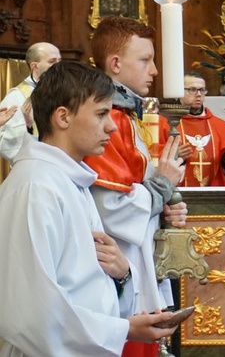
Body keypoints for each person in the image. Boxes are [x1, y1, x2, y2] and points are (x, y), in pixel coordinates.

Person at [0, 61, 178, 356]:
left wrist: (123, 276)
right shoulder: (36, 188)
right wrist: (124, 330)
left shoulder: (71, 182)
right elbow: (31, 313)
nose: (110, 125)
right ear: (62, 117)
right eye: (101, 114)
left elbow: (84, 287)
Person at [84, 15, 187, 357]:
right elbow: (111, 210)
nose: (154, 71)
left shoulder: (125, 115)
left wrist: (166, 205)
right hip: (116, 265)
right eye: (145, 60)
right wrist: (161, 187)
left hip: (131, 262)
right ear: (115, 64)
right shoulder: (108, 118)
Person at [160, 70, 225, 187]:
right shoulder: (164, 124)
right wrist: (174, 155)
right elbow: (152, 154)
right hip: (175, 197)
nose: (198, 94)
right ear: (179, 92)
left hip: (212, 199)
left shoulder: (223, 128)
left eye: (202, 90)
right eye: (192, 89)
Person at [0, 41, 61, 160]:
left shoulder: (62, 91)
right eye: (52, 61)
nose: (58, 66)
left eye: (60, 61)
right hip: (34, 166)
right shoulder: (17, 96)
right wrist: (29, 126)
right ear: (34, 66)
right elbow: (6, 142)